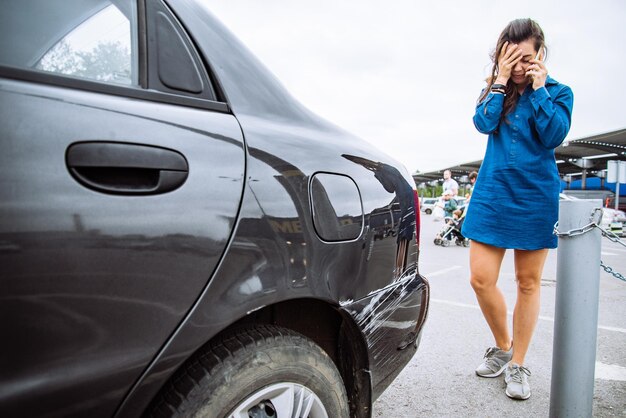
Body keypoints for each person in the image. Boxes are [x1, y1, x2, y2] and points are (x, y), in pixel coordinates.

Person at [461, 18, 573, 400]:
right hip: (492, 194)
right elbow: (482, 123)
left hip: (535, 196)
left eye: (527, 58)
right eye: (512, 58)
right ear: (501, 56)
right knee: (480, 278)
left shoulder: (559, 92)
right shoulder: (496, 90)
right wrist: (500, 81)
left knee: (528, 282)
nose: (521, 67)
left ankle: (519, 363)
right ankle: (503, 344)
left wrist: (539, 89)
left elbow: (554, 135)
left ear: (540, 55)